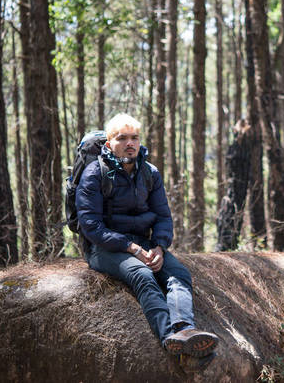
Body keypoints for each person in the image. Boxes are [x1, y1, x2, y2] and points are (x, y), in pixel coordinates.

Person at [76, 113, 218, 371]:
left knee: (178, 274)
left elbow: (163, 217)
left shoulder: (150, 173)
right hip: (103, 247)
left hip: (144, 242)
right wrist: (131, 248)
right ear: (109, 144)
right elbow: (91, 226)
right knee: (142, 274)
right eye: (122, 138)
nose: (130, 143)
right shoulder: (94, 173)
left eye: (134, 138)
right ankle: (170, 341)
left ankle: (185, 330)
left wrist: (160, 247)